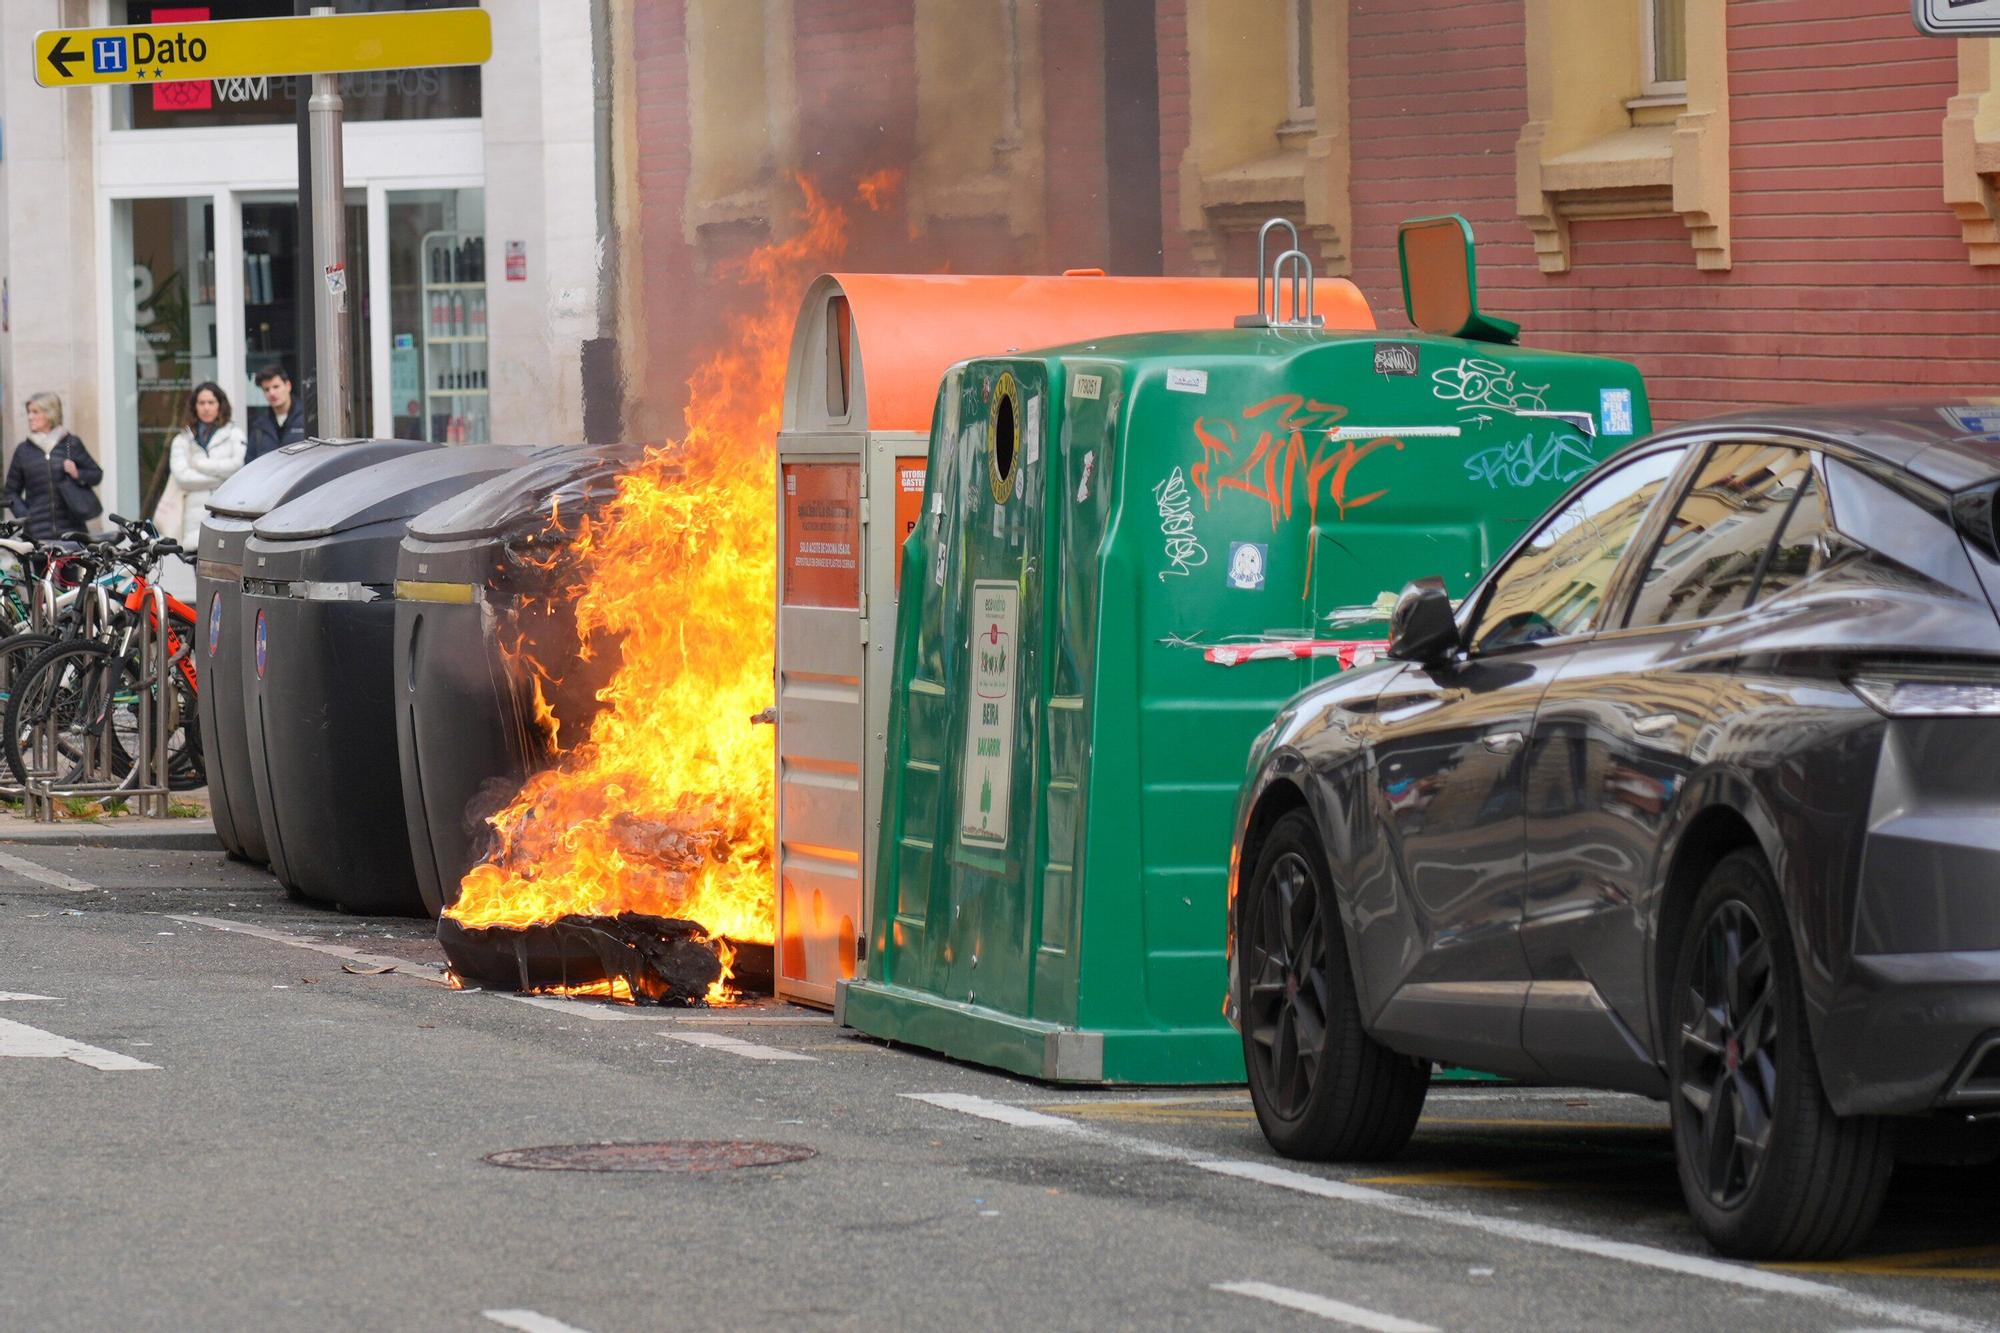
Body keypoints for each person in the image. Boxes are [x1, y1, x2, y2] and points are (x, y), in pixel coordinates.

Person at [153, 383, 247, 598]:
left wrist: (199, 465)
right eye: (201, 403)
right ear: (194, 407)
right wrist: (219, 477)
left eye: (211, 402)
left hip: (226, 516)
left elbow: (237, 467)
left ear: (220, 405)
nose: (206, 408)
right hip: (195, 522)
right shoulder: (182, 440)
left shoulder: (234, 434)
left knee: (229, 584)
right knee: (203, 585)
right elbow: (183, 478)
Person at [6, 391, 103, 544]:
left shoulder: (71, 444)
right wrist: (26, 516)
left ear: (50, 413)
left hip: (73, 533)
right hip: (38, 536)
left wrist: (77, 473)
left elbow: (96, 474)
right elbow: (11, 492)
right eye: (29, 412)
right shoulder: (23, 451)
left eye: (35, 412)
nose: (30, 417)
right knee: (42, 569)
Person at [246, 364, 306, 461]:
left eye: (276, 387)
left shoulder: (307, 419)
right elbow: (250, 462)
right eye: (266, 389)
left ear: (288, 386)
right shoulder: (259, 426)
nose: (272, 393)